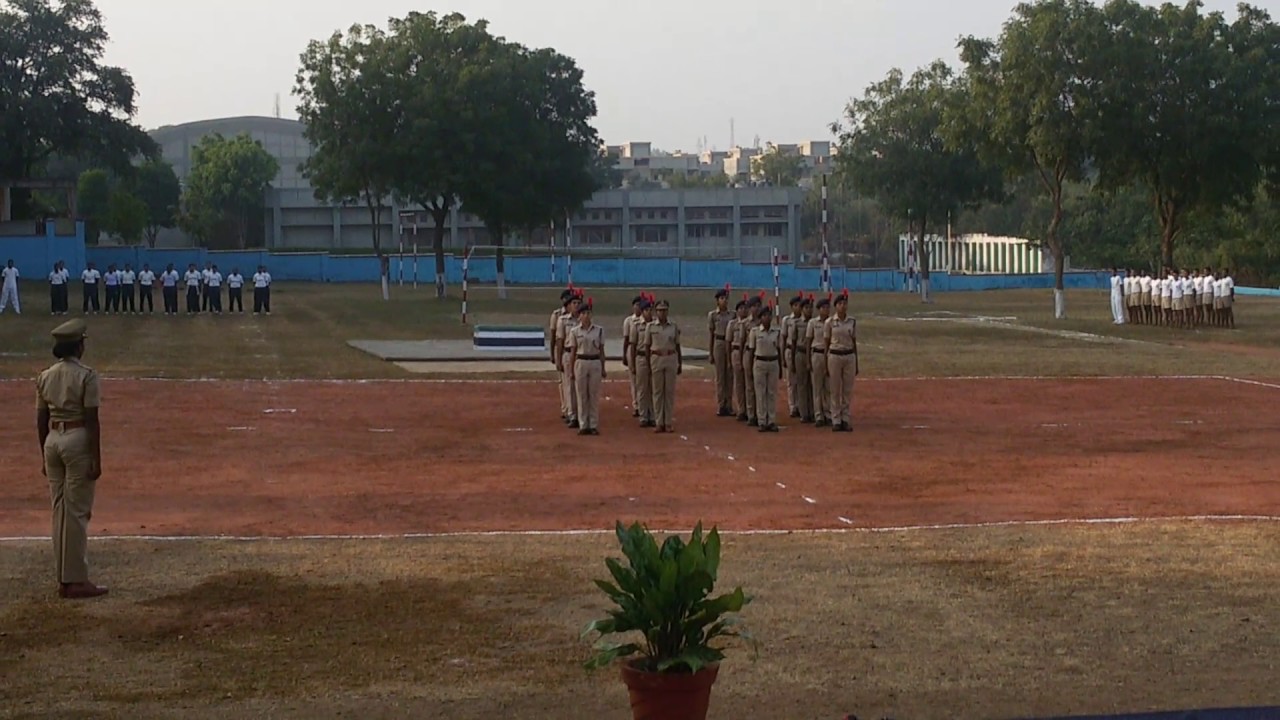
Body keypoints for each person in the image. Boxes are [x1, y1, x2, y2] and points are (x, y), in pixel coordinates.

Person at [36, 318, 107, 599]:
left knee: (60, 509)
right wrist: (96, 458)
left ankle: (64, 578)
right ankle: (75, 580)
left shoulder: (45, 375)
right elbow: (92, 419)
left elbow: (41, 418)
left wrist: (44, 452)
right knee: (77, 511)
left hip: (53, 440)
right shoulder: (86, 375)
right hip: (77, 439)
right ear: (79, 346)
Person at [568, 299, 606, 436]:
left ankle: (593, 424)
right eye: (583, 313)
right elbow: (573, 351)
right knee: (582, 395)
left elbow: (601, 350)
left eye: (588, 313)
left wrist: (603, 367)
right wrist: (572, 369)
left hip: (595, 361)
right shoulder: (574, 331)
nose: (586, 316)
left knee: (593, 395)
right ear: (579, 316)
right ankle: (583, 424)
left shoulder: (599, 331)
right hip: (581, 362)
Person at [824, 291, 859, 433]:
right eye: (840, 304)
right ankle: (836, 419)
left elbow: (854, 342)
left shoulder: (852, 321)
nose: (843, 306)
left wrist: (856, 361)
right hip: (834, 356)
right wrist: (826, 360)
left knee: (847, 390)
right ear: (835, 306)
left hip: (849, 356)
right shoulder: (830, 322)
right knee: (834, 389)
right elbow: (826, 342)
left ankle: (845, 418)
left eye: (845, 304)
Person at [646, 299, 682, 434]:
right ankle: (659, 422)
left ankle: (668, 422)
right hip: (656, 358)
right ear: (656, 311)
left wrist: (680, 363)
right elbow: (647, 346)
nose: (662, 312)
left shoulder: (673, 326)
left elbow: (678, 346)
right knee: (657, 392)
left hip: (671, 357)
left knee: (669, 392)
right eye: (660, 310)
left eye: (664, 310)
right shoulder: (650, 327)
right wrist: (648, 362)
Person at [748, 304, 784, 433]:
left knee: (772, 393)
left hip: (773, 362)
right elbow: (751, 351)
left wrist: (780, 366)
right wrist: (750, 367)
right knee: (760, 393)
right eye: (764, 316)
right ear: (760, 318)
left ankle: (772, 420)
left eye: (769, 315)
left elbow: (779, 350)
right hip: (760, 362)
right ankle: (762, 420)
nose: (767, 318)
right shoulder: (755, 332)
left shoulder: (776, 332)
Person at [555, 293, 583, 429]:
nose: (576, 306)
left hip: (580, 356)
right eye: (574, 303)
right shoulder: (563, 320)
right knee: (569, 386)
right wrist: (558, 359)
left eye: (578, 303)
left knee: (582, 387)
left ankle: (582, 414)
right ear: (569, 305)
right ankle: (572, 415)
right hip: (567, 354)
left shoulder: (583, 319)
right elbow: (559, 340)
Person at [708, 287, 734, 417]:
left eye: (726, 298)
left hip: (729, 343)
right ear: (717, 301)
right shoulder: (712, 315)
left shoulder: (732, 315)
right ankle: (721, 404)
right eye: (722, 298)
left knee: (729, 375)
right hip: (718, 343)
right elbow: (711, 334)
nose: (724, 301)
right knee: (720, 376)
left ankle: (729, 404)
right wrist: (710, 352)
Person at [630, 298, 656, 427]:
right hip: (640, 358)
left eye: (650, 310)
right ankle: (643, 415)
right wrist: (632, 364)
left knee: (653, 387)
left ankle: (652, 415)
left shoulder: (655, 325)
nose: (648, 313)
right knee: (642, 388)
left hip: (653, 358)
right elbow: (633, 346)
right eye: (646, 310)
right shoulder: (636, 326)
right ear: (642, 311)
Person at [807, 296, 832, 428]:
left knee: (828, 387)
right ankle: (818, 415)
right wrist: (808, 360)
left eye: (828, 308)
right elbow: (808, 341)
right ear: (819, 309)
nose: (826, 310)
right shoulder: (812, 323)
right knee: (817, 387)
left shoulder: (832, 322)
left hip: (828, 355)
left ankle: (828, 413)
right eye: (823, 308)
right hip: (816, 354)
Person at [549, 289, 573, 419]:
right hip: (562, 350)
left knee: (570, 382)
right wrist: (553, 354)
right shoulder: (557, 315)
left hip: (572, 351)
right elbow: (554, 336)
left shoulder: (577, 313)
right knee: (562, 381)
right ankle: (565, 407)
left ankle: (571, 408)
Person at [792, 295, 815, 423]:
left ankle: (812, 411)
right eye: (806, 308)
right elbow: (794, 341)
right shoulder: (797, 323)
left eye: (810, 308)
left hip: (812, 353)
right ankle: (804, 412)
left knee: (812, 385)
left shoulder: (815, 322)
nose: (809, 310)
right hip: (800, 353)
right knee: (801, 384)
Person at [782, 294, 804, 418]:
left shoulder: (803, 320)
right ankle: (792, 406)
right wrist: (783, 355)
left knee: (801, 380)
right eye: (795, 305)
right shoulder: (787, 320)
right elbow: (783, 338)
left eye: (799, 305)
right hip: (790, 350)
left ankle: (801, 405)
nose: (798, 308)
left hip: (800, 351)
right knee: (791, 380)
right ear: (791, 307)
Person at [622, 295, 644, 418]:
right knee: (634, 380)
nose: (638, 307)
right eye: (636, 305)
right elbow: (626, 339)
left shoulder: (648, 320)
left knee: (644, 381)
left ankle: (644, 405)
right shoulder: (629, 321)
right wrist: (625, 355)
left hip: (643, 350)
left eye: (640, 305)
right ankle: (636, 405)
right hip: (632, 349)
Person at [728, 299, 748, 421]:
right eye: (740, 308)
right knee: (739, 382)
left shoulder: (749, 324)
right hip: (735, 351)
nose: (743, 310)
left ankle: (750, 409)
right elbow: (728, 341)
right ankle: (741, 409)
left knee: (749, 383)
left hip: (747, 352)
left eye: (745, 308)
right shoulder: (733, 324)